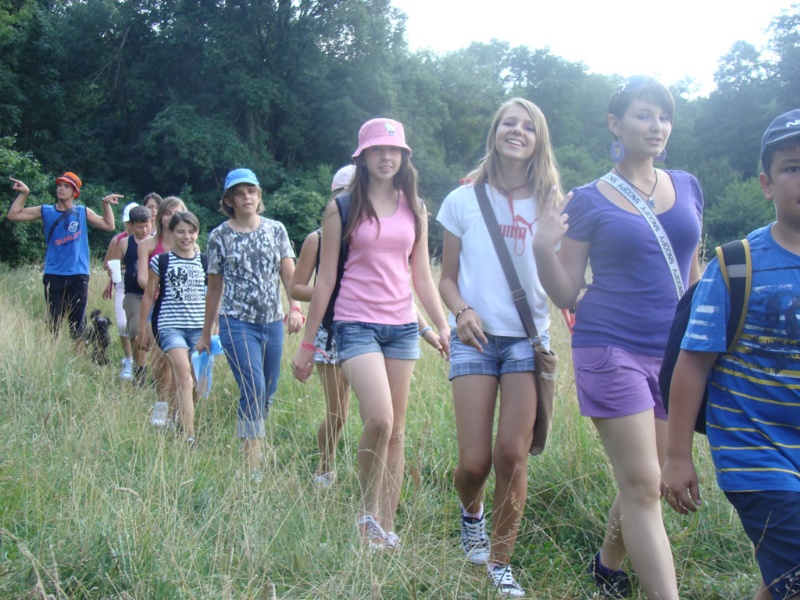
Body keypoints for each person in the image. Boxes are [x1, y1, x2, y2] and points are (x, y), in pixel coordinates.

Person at [532, 76, 703, 599]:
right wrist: (541, 249)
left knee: (648, 475)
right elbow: (567, 291)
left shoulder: (688, 186)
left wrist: (703, 344)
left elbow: (693, 274)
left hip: (672, 355)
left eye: (664, 116)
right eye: (643, 115)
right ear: (615, 123)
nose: (657, 126)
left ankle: (607, 566)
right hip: (609, 347)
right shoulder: (588, 200)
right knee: (644, 484)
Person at [290, 118, 450, 550]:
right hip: (354, 323)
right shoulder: (341, 208)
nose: (386, 157)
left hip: (402, 328)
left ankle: (387, 524)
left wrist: (443, 324)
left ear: (404, 156)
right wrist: (307, 345)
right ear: (362, 157)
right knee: (379, 418)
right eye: (377, 149)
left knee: (397, 431)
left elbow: (422, 276)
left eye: (393, 150)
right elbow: (325, 281)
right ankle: (366, 514)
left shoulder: (415, 208)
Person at [661, 109, 800, 600]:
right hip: (755, 454)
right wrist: (677, 456)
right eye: (792, 167)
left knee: (785, 581)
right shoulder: (736, 264)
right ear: (766, 184)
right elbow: (693, 363)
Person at [437, 98, 560, 597]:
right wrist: (461, 310)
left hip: (528, 342)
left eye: (528, 126)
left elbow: (562, 277)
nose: (517, 131)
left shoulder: (553, 201)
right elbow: (446, 279)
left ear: (538, 139)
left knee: (512, 454)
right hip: (475, 339)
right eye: (509, 123)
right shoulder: (462, 199)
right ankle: (472, 517)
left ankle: (501, 561)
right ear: (495, 132)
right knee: (475, 464)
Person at [198, 168, 304, 480]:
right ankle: (252, 464)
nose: (246, 197)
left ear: (259, 196)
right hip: (235, 322)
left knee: (269, 388)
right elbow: (214, 288)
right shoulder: (219, 236)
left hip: (271, 322)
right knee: (253, 387)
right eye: (239, 193)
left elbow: (289, 276)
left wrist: (295, 307)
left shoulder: (276, 230)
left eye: (251, 191)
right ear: (229, 200)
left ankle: (252, 430)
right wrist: (206, 333)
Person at [7, 172, 122, 338]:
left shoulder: (83, 211)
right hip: (54, 273)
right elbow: (13, 215)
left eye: (66, 186)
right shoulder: (45, 210)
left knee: (77, 322)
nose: (61, 188)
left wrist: (105, 204)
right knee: (53, 321)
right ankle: (51, 351)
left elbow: (109, 225)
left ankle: (78, 351)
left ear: (75, 192)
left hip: (78, 274)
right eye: (59, 185)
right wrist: (24, 193)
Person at [138, 211, 206, 445]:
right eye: (181, 232)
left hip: (198, 327)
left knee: (198, 383)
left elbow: (213, 297)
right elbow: (149, 296)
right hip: (169, 326)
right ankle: (189, 436)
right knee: (183, 374)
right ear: (171, 233)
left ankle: (179, 417)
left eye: (191, 232)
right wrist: (143, 329)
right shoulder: (161, 261)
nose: (186, 237)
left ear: (198, 233)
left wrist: (213, 328)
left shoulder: (206, 262)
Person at [138, 196, 188, 425]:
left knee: (179, 362)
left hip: (181, 310)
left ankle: (177, 409)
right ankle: (161, 403)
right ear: (160, 217)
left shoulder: (191, 245)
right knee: (159, 359)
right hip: (157, 306)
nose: (172, 217)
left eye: (177, 212)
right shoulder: (148, 245)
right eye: (168, 213)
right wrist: (157, 285)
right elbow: (142, 278)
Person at [114, 206, 153, 385]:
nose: (144, 230)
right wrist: (113, 273)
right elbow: (115, 264)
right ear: (131, 225)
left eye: (147, 225)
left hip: (155, 294)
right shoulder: (124, 243)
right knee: (136, 331)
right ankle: (141, 369)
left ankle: (157, 372)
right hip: (133, 294)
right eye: (139, 227)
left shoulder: (156, 243)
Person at [102, 202, 139, 380]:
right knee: (123, 324)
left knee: (140, 326)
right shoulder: (118, 240)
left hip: (143, 285)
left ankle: (141, 363)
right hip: (123, 283)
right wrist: (115, 271)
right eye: (129, 222)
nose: (130, 226)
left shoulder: (150, 239)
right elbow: (107, 264)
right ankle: (128, 359)